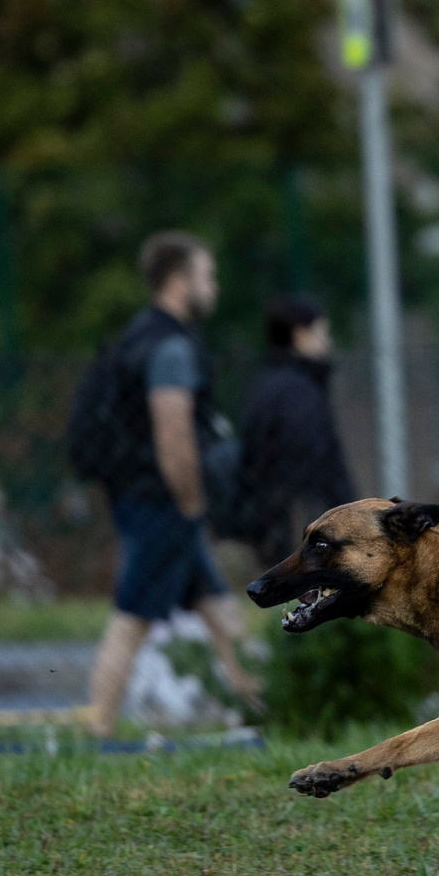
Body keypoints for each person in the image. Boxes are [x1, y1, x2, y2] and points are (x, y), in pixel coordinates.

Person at [82, 232, 263, 737]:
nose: (214, 287)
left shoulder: (141, 335)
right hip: (162, 502)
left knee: (220, 610)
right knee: (132, 618)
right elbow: (174, 434)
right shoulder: (170, 348)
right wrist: (191, 505)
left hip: (148, 496)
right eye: (208, 276)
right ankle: (97, 732)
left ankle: (265, 707)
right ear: (180, 281)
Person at [230, 294, 360, 566]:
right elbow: (315, 464)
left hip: (269, 519)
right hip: (300, 522)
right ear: (300, 335)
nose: (328, 342)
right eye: (322, 333)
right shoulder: (302, 393)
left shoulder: (267, 386)